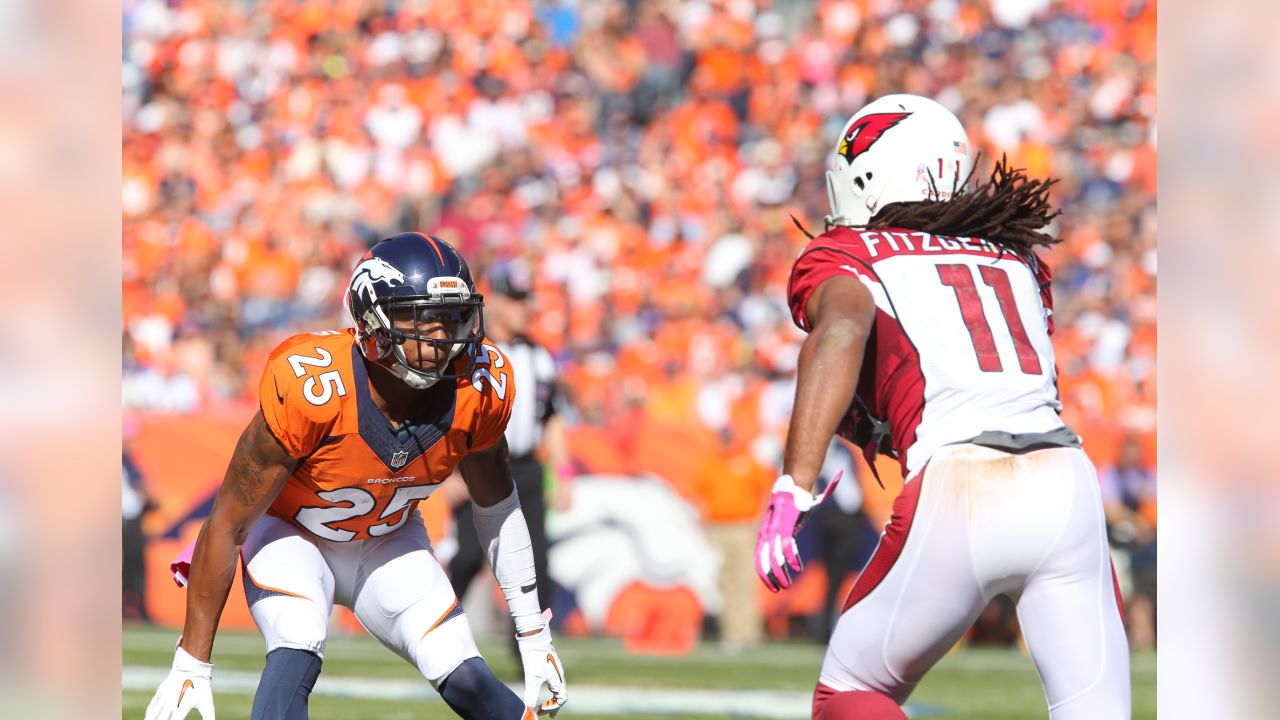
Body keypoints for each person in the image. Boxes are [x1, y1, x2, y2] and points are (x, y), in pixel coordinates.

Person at [753, 95, 1129, 719]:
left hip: (961, 485)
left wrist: (794, 481)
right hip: (1066, 484)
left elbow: (842, 330)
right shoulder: (1016, 257)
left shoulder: (850, 252)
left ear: (868, 176)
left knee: (850, 692)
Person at [145, 233, 567, 720]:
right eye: (421, 315)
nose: (441, 333)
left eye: (451, 316)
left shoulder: (479, 385)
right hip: (292, 533)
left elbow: (497, 506)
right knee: (297, 640)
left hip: (389, 538)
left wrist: (534, 636)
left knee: (465, 673)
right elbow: (227, 522)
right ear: (373, 321)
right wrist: (192, 663)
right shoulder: (313, 385)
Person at [447, 260, 570, 643]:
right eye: (515, 300)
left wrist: (563, 476)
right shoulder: (469, 352)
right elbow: (447, 415)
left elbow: (550, 418)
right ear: (495, 301)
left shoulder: (540, 356)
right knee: (468, 557)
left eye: (525, 300)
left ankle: (532, 652)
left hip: (526, 468)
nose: (524, 309)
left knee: (535, 562)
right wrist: (450, 472)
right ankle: (433, 630)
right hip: (478, 465)